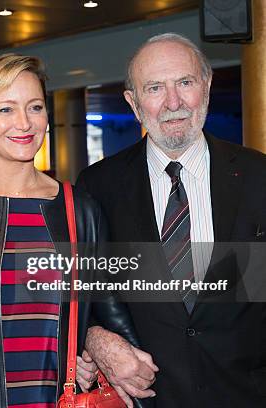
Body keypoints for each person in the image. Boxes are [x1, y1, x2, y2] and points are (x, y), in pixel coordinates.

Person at [0, 54, 157, 408]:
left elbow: (108, 316)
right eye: (6, 109)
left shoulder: (80, 210)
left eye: (35, 107)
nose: (24, 122)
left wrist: (100, 349)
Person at [76, 33, 266, 407]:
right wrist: (92, 336)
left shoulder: (259, 176)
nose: (173, 102)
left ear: (207, 86)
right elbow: (80, 291)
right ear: (133, 102)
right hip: (146, 399)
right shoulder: (98, 186)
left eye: (185, 82)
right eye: (155, 88)